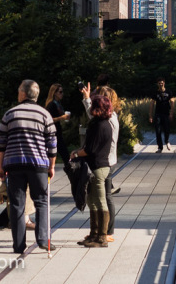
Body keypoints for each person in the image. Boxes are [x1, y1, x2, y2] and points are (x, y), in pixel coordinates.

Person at [0, 80, 57, 255]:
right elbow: (52, 144)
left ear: (23, 94)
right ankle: (44, 240)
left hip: (14, 164)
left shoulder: (10, 114)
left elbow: (1, 143)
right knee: (42, 201)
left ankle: (18, 245)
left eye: (18, 91)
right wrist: (51, 166)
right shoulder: (45, 114)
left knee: (17, 204)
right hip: (38, 165)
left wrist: (1, 167)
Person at [71, 94, 113, 248]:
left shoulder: (97, 125)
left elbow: (89, 149)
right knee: (92, 201)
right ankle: (94, 234)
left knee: (99, 201)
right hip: (100, 165)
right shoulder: (105, 123)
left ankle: (101, 236)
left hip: (97, 166)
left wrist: (75, 153)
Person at [81, 85, 120, 242]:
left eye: (99, 97)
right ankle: (100, 232)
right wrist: (86, 98)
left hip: (106, 161)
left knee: (104, 197)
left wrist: (86, 99)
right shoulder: (109, 117)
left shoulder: (110, 119)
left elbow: (93, 118)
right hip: (107, 160)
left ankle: (106, 232)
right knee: (100, 196)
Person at [45, 83, 71, 167]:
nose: (62, 94)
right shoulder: (51, 104)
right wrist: (61, 118)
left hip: (57, 132)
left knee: (63, 154)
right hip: (53, 133)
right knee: (64, 155)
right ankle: (71, 171)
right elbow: (49, 120)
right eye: (60, 92)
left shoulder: (57, 103)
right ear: (54, 93)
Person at [149, 78, 172, 153]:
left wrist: (171, 113)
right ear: (157, 84)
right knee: (158, 131)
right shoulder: (155, 93)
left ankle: (167, 141)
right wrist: (150, 115)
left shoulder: (168, 92)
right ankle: (160, 147)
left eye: (162, 83)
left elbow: (172, 102)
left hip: (166, 113)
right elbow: (152, 104)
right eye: (159, 83)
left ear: (164, 83)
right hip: (158, 113)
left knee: (167, 129)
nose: (160, 84)